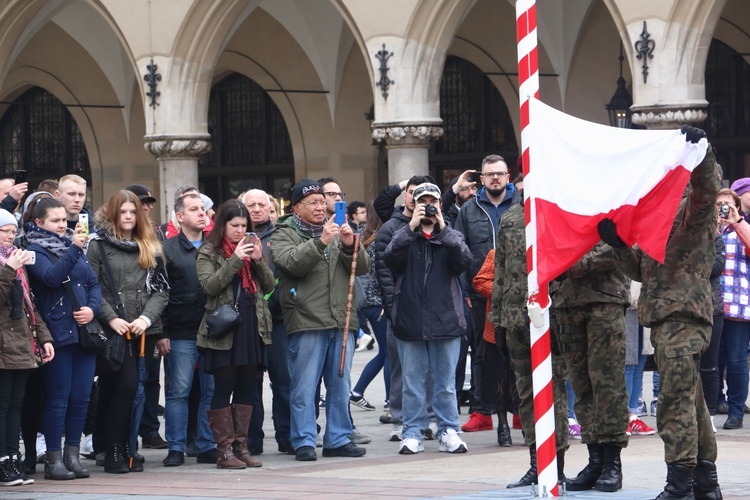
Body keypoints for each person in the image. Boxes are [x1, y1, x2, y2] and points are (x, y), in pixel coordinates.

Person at [603, 126, 722, 499]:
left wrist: (702, 152)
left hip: (684, 315)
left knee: (675, 400)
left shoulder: (692, 212)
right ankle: (705, 482)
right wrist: (620, 246)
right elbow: (642, 269)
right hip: (664, 317)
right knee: (691, 400)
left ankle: (680, 483)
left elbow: (706, 190)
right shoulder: (656, 219)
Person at [271, 179, 369, 462]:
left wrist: (351, 246)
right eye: (312, 202)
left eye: (320, 201)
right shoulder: (284, 232)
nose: (319, 206)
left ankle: (337, 438)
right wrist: (322, 241)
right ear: (296, 208)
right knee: (304, 385)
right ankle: (303, 439)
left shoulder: (338, 229)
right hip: (307, 319)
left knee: (339, 384)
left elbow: (362, 268)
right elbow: (291, 263)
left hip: (341, 318)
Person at [384, 182, 472, 455]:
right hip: (410, 320)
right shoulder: (403, 234)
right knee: (412, 383)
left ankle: (448, 430)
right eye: (422, 201)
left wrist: (442, 228)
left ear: (440, 204)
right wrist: (411, 227)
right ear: (413, 203)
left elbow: (465, 260)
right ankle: (413, 432)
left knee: (445, 383)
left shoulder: (450, 234)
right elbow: (389, 259)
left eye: (432, 200)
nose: (427, 206)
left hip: (445, 319)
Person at [87, 190, 169, 474]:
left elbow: (161, 290)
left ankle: (118, 448)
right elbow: (91, 287)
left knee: (117, 388)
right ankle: (114, 451)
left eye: (133, 212)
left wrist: (146, 319)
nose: (129, 217)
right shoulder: (97, 245)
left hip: (140, 330)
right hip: (110, 328)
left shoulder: (149, 244)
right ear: (113, 213)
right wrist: (111, 319)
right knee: (125, 385)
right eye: (123, 212)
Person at [491, 194, 569, 488]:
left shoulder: (557, 208)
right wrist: (497, 318)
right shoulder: (511, 216)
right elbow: (501, 269)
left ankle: (556, 464)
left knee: (553, 393)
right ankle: (536, 462)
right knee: (526, 394)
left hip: (546, 316)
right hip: (514, 318)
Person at [25, 198, 102, 480]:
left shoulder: (73, 248)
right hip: (57, 335)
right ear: (38, 223)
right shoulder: (34, 251)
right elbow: (51, 278)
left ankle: (72, 456)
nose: (62, 225)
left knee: (81, 398)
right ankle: (53, 460)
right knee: (58, 399)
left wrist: (92, 310)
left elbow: (93, 283)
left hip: (84, 333)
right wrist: (75, 248)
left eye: (63, 220)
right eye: (55, 221)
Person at [196, 199, 274, 469]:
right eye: (235, 226)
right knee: (224, 386)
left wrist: (257, 261)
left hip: (252, 324)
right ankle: (224, 451)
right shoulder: (209, 251)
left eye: (244, 226)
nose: (240, 231)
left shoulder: (251, 249)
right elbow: (210, 285)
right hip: (226, 329)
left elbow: (269, 285)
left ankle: (242, 447)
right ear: (223, 225)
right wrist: (234, 260)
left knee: (247, 386)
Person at [555, 242, 630, 493]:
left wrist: (569, 264)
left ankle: (612, 462)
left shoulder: (611, 201)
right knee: (581, 384)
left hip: (604, 299)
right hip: (567, 301)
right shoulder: (561, 201)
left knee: (608, 384)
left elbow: (620, 244)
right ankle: (595, 458)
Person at [373, 175, 438, 441]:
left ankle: (432, 418)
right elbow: (384, 271)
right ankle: (400, 420)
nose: (417, 200)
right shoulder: (391, 227)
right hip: (400, 308)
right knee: (402, 367)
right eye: (412, 193)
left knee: (433, 370)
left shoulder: (441, 225)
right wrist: (392, 309)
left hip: (434, 310)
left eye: (425, 197)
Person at [454, 155, 516, 429]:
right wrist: (465, 287)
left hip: (518, 293)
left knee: (518, 350)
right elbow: (459, 249)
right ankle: (482, 411)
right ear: (481, 179)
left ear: (508, 176)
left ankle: (519, 411)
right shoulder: (469, 209)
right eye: (489, 174)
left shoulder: (522, 204)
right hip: (481, 292)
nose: (495, 178)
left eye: (499, 174)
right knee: (482, 352)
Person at [158, 193, 217, 467]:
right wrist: (162, 332)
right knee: (179, 391)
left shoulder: (215, 247)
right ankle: (176, 447)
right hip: (180, 332)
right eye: (194, 209)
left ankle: (207, 445)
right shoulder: (167, 249)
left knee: (211, 391)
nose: (201, 213)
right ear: (179, 217)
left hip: (215, 330)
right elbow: (159, 293)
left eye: (203, 209)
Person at [0, 209, 54, 486]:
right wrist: (10, 268)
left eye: (12, 231)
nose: (10, 236)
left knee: (16, 405)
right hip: (3, 345)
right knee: (3, 404)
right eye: (3, 231)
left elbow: (30, 306)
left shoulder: (15, 262)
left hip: (21, 343)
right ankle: (2, 461)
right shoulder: (10, 264)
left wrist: (44, 337)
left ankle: (12, 458)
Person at [242, 189, 293, 454]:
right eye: (251, 205)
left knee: (283, 381)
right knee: (251, 383)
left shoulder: (281, 235)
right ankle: (252, 439)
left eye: (262, 204)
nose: (257, 209)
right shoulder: (236, 235)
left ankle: (286, 435)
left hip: (278, 319)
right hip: (247, 321)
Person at [472, 248, 518, 447]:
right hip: (497, 328)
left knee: (523, 381)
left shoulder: (537, 248)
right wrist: (505, 293)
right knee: (498, 379)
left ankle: (530, 428)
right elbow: (480, 281)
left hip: (526, 327)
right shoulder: (496, 253)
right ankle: (502, 426)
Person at [350, 202, 390, 412]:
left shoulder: (361, 234)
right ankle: (390, 401)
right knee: (389, 352)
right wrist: (386, 302)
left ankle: (357, 392)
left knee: (385, 352)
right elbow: (379, 273)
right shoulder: (376, 239)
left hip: (367, 302)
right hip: (377, 303)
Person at [715, 186, 749, 430]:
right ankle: (716, 403)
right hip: (712, 306)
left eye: (728, 204)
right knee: (713, 362)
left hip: (738, 307)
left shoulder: (743, 227)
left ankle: (736, 411)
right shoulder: (709, 229)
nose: (723, 209)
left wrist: (736, 221)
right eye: (719, 204)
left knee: (737, 361)